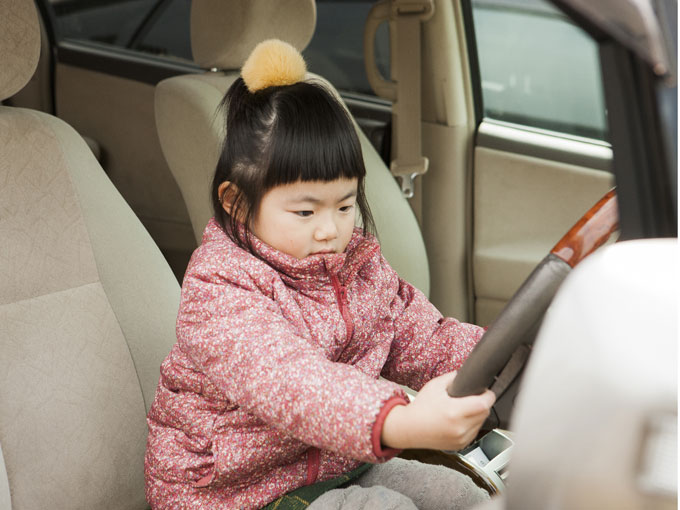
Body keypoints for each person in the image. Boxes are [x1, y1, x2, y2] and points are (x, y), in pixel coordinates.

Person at [145, 39, 496, 510]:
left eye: (345, 205)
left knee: (462, 495)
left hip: (336, 462)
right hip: (233, 494)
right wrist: (401, 422)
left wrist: (500, 356)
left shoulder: (357, 266)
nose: (331, 229)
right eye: (305, 211)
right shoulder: (219, 290)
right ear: (237, 203)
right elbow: (295, 384)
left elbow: (421, 338)